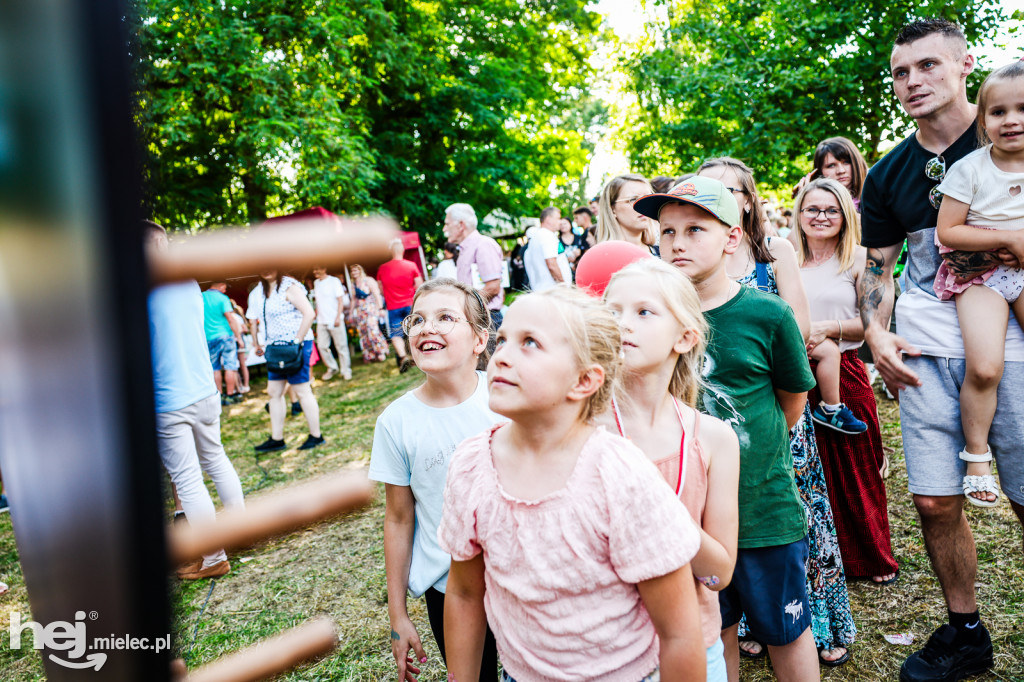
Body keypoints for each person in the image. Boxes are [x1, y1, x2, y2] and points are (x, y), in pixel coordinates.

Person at [858, 18, 1024, 682]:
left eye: (927, 66)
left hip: (1012, 340)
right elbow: (876, 268)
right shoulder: (889, 174)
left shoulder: (1010, 138)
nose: (912, 82)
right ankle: (966, 633)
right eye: (901, 72)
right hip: (926, 341)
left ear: (964, 66)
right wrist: (874, 333)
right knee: (932, 499)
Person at [440, 287, 706, 682]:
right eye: (502, 340)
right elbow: (463, 593)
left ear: (584, 380)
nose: (501, 356)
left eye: (530, 342)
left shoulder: (620, 476)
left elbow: (680, 633)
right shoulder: (470, 465)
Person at [640, 175, 820, 680]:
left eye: (696, 229)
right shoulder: (652, 318)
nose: (677, 242)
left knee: (785, 628)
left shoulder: (767, 314)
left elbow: (792, 400)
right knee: (711, 629)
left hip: (762, 508)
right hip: (688, 516)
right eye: (668, 230)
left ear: (733, 238)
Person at [695, 159, 856, 666]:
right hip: (711, 414)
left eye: (730, 189)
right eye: (707, 189)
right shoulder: (683, 265)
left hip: (775, 409)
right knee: (722, 527)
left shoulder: (773, 250)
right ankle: (745, 623)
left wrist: (776, 418)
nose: (719, 195)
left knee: (786, 527)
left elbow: (800, 329)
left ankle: (806, 621)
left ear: (746, 200)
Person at [600, 258, 740, 682]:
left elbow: (719, 573)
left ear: (685, 337)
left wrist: (651, 497)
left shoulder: (714, 439)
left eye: (644, 312)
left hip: (694, 646)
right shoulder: (578, 430)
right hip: (603, 651)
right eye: (612, 310)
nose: (622, 324)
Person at [369, 278, 501, 681]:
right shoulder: (396, 422)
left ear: (480, 339)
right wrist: (398, 614)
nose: (427, 328)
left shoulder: (505, 399)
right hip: (448, 592)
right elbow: (398, 518)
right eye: (418, 319)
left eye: (446, 318)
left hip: (520, 577)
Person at [794, 178, 900, 588]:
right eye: (812, 209)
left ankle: (873, 558)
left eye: (830, 210)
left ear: (845, 214)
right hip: (793, 372)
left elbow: (878, 324)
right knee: (807, 468)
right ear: (799, 214)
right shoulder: (784, 262)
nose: (820, 217)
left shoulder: (863, 260)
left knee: (856, 467)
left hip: (847, 370)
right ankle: (816, 557)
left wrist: (828, 328)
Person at [933, 60, 1024, 508]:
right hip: (979, 274)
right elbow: (947, 232)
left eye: (1023, 109)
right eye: (999, 112)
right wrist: (1008, 238)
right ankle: (976, 455)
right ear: (983, 120)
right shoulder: (970, 168)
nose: (1012, 120)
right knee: (985, 366)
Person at [145, 221, 245, 580]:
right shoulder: (187, 282)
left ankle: (214, 556)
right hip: (204, 390)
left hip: (169, 398)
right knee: (216, 459)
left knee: (188, 479)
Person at [247, 270, 323, 452]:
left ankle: (316, 436)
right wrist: (257, 343)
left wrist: (297, 340)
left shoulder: (290, 287)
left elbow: (309, 314)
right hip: (275, 348)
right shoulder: (257, 291)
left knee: (302, 390)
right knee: (274, 391)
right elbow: (253, 321)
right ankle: (277, 439)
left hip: (296, 345)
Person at [443, 203, 505, 328]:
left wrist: (464, 306)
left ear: (461, 225)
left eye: (447, 224)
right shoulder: (465, 248)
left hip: (487, 319)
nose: (444, 229)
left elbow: (493, 287)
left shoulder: (483, 245)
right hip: (477, 317)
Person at [377, 239, 424, 373]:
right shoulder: (411, 265)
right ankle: (418, 356)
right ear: (402, 250)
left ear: (391, 251)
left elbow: (380, 288)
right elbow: (420, 285)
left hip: (392, 306)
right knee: (415, 329)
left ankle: (403, 357)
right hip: (410, 304)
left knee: (396, 334)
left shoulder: (383, 268)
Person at [792, 137, 870, 208]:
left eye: (846, 162)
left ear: (857, 163)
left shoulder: (876, 194)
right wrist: (807, 201)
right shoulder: (818, 205)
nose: (841, 171)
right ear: (819, 172)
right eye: (831, 166)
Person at [201, 282, 245, 405]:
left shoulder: (201, 297)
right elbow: (230, 318)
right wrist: (239, 338)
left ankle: (219, 395)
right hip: (225, 336)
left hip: (209, 337)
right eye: (225, 287)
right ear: (219, 284)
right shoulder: (222, 298)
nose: (225, 291)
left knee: (215, 368)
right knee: (230, 366)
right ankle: (229, 395)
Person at [311, 265, 352, 381]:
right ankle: (332, 367)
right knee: (322, 346)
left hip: (335, 319)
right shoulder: (316, 283)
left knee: (341, 346)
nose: (315, 271)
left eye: (317, 269)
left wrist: (338, 317)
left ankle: (346, 370)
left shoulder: (334, 281)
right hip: (321, 321)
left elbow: (340, 300)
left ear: (324, 268)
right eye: (314, 270)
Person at [596, 174, 658, 249]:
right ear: (612, 209)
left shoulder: (661, 254)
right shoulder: (601, 256)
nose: (644, 205)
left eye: (647, 199)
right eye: (633, 199)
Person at [348, 264, 390, 363]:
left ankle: (381, 350)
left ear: (360, 271)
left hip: (371, 308)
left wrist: (380, 308)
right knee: (364, 332)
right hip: (360, 310)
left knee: (372, 329)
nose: (354, 273)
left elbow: (376, 294)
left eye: (356, 270)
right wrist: (350, 312)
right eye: (353, 271)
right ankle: (370, 354)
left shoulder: (368, 280)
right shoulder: (353, 284)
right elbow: (354, 299)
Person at [522, 206, 570, 292]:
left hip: (544, 290)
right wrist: (564, 287)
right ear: (548, 219)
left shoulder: (536, 237)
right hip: (554, 291)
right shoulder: (547, 235)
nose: (560, 222)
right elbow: (551, 264)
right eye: (558, 218)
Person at [230, 301, 251, 393]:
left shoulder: (227, 318)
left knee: (233, 366)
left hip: (232, 341)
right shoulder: (238, 317)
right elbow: (245, 329)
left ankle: (238, 387)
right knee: (243, 364)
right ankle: (246, 385)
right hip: (241, 341)